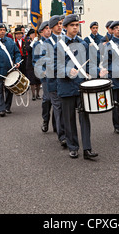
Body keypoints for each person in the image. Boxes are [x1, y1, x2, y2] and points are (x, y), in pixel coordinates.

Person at [56, 14, 108, 159]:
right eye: (72, 25)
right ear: (65, 27)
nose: (75, 28)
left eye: (77, 25)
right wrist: (67, 71)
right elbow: (55, 67)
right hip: (66, 87)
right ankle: (73, 147)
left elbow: (89, 64)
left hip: (81, 85)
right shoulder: (58, 45)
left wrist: (99, 71)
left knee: (84, 117)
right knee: (69, 119)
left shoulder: (83, 44)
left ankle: (87, 148)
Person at [44, 15, 66, 145]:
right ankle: (62, 136)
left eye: (61, 23)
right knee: (58, 108)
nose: (60, 25)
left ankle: (63, 130)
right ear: (51, 27)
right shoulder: (47, 43)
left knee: (65, 108)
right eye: (57, 24)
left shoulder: (66, 40)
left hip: (66, 80)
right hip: (53, 81)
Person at [33, 21, 56, 133]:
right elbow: (36, 61)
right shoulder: (38, 45)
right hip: (46, 76)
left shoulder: (54, 42)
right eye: (46, 28)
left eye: (49, 28)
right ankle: (45, 120)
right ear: (41, 32)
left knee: (57, 100)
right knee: (47, 99)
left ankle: (57, 125)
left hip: (56, 75)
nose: (48, 30)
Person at [25, 28, 42, 101]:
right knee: (32, 79)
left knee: (38, 79)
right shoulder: (28, 41)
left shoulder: (38, 41)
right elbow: (28, 49)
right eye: (32, 34)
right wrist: (32, 43)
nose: (33, 35)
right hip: (30, 61)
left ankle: (38, 94)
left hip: (37, 61)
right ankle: (33, 94)